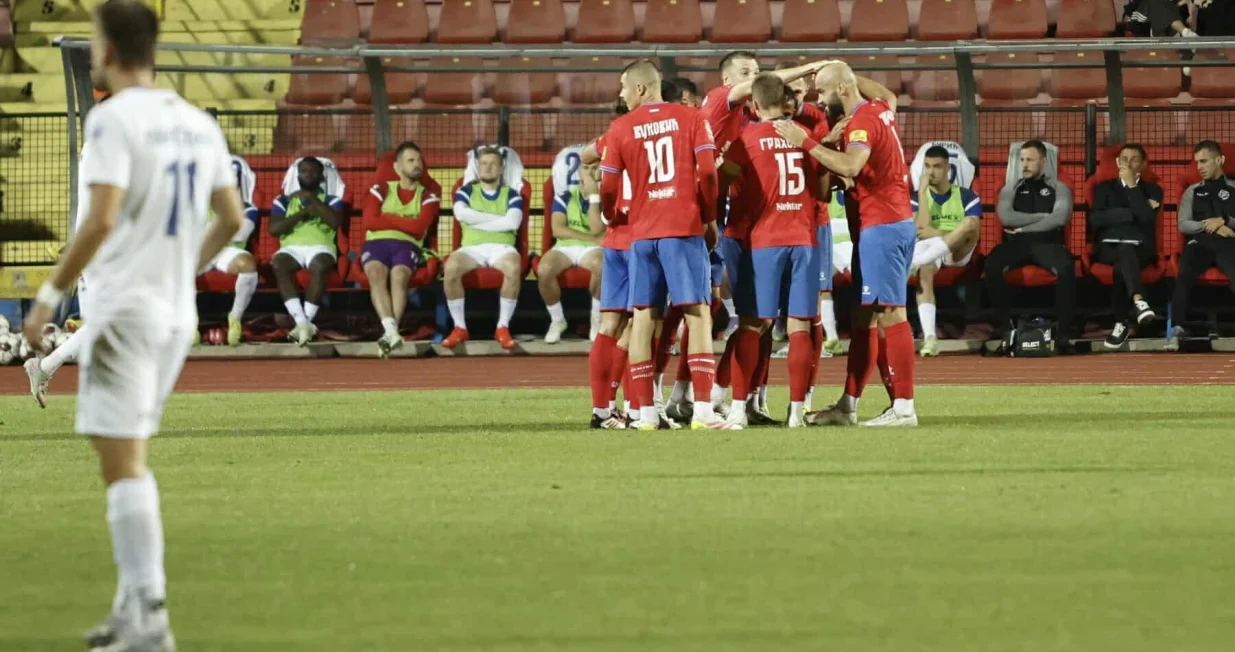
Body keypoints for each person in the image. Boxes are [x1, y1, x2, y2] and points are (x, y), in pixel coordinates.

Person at [20, 2, 246, 650]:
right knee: (126, 454)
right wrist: (183, 271)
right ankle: (130, 609)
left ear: (110, 50)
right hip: (173, 314)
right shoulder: (194, 122)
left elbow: (99, 220)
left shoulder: (113, 121)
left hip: (123, 313)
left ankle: (148, 616)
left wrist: (48, 298)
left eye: (94, 42)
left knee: (123, 465)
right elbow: (231, 219)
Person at [776, 61, 919, 428]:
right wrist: (841, 74)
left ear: (841, 89)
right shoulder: (880, 109)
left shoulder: (862, 122)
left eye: (822, 92)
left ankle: (904, 409)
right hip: (885, 224)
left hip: (882, 225)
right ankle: (849, 405)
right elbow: (887, 94)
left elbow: (853, 166)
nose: (819, 101)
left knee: (891, 313)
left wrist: (805, 143)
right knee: (863, 318)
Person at [599, 59, 735, 431]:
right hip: (683, 228)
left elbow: (608, 185)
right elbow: (708, 173)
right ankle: (704, 412)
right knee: (697, 313)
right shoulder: (692, 118)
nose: (622, 94)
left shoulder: (620, 127)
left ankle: (644, 414)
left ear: (642, 88)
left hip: (642, 235)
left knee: (644, 318)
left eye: (624, 86)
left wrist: (610, 215)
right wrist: (708, 217)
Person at [721, 74, 826, 427]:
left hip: (765, 240)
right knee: (799, 326)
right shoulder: (805, 137)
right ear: (786, 104)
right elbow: (824, 189)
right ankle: (797, 413)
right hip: (805, 239)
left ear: (753, 105)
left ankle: (737, 409)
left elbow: (723, 181)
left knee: (754, 323)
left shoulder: (746, 139)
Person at [984, 141, 1077, 350]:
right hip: (1017, 244)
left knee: (1066, 268)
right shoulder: (1010, 188)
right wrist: (1043, 216)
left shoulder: (1060, 187)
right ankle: (1006, 330)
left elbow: (1060, 218)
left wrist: (1025, 227)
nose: (1024, 164)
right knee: (992, 264)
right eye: (1022, 160)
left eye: (1030, 160)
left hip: (1048, 243)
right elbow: (1006, 217)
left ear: (1043, 161)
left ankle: (1062, 334)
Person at [361, 141, 440, 357]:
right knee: (376, 273)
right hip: (376, 242)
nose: (417, 165)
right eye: (411, 160)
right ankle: (391, 331)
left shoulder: (429, 194)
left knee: (399, 275)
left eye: (419, 160)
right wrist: (405, 222)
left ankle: (389, 334)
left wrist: (386, 217)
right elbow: (368, 221)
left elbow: (419, 228)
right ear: (397, 167)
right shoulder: (382, 188)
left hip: (408, 245)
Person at [442, 147, 525, 351]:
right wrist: (499, 221)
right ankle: (460, 327)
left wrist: (476, 219)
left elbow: (513, 223)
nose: (487, 167)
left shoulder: (512, 194)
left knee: (514, 268)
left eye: (492, 164)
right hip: (472, 248)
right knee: (451, 267)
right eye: (483, 163)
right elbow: (461, 214)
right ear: (478, 167)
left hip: (502, 247)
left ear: (501, 168)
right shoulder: (465, 191)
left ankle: (502, 327)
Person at [910, 145, 983, 357]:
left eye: (937, 166)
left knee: (968, 224)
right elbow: (920, 229)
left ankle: (915, 262)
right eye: (927, 166)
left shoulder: (967, 196)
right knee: (924, 267)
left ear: (948, 168)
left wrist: (936, 232)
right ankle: (930, 337)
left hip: (958, 252)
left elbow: (973, 232)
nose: (931, 172)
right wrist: (923, 193)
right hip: (931, 250)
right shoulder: (916, 197)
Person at [1088, 143, 1161, 349]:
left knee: (1124, 258)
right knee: (1122, 252)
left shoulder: (1153, 189)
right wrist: (1130, 214)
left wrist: (1133, 188)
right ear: (1118, 162)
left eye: (1134, 159)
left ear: (1144, 164)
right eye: (1124, 159)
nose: (1128, 163)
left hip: (1140, 248)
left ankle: (1121, 322)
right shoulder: (1103, 188)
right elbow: (1096, 219)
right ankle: (1139, 302)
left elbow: (1147, 219)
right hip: (1107, 247)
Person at [269, 157, 345, 346]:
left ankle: (305, 322)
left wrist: (312, 200)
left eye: (314, 171)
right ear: (298, 175)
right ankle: (303, 323)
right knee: (278, 263)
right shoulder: (283, 200)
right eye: (304, 171)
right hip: (291, 248)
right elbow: (274, 229)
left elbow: (335, 222)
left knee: (320, 265)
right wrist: (301, 213)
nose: (308, 174)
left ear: (322, 177)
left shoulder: (332, 199)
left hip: (321, 246)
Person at [1169, 140, 1235, 348]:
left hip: (1228, 241)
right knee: (1184, 274)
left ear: (1220, 160)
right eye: (1197, 162)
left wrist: (1225, 221)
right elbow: (1183, 225)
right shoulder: (1192, 191)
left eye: (1204, 161)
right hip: (1199, 242)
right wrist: (1211, 225)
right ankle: (1177, 328)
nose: (1199, 167)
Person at [538, 160, 604, 344]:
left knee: (603, 266)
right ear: (579, 172)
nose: (590, 172)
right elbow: (558, 230)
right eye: (586, 168)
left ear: (602, 172)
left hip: (594, 250)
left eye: (595, 168)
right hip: (565, 247)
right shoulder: (565, 196)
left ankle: (596, 321)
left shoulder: (608, 197)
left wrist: (593, 197)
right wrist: (590, 238)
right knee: (544, 269)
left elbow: (597, 228)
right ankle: (557, 320)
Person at [198, 157, 260, 347]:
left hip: (230, 252)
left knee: (248, 265)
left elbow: (240, 235)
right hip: (204, 250)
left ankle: (235, 318)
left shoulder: (248, 208)